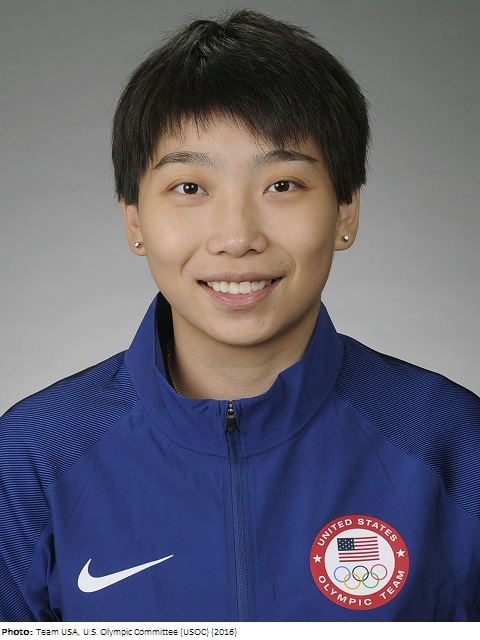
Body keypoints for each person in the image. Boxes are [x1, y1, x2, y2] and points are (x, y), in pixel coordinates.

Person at [1, 8, 479, 623]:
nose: (236, 237)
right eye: (189, 188)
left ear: (346, 211)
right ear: (134, 219)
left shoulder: (452, 443)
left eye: (282, 185)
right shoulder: (32, 455)